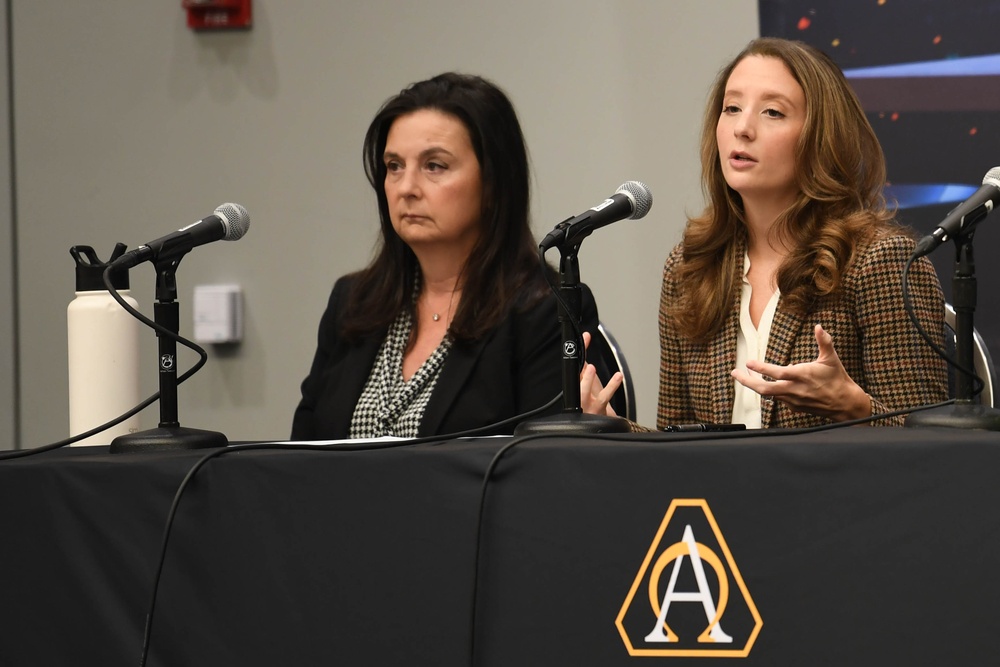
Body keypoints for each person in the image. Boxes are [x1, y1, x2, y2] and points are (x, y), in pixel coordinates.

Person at [581, 37, 948, 429]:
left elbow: (928, 449)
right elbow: (678, 446)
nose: (742, 128)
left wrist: (857, 409)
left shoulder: (879, 262)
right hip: (724, 492)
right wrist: (612, 429)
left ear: (821, 136)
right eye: (732, 108)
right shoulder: (690, 268)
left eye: (772, 112)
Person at [292, 72, 607, 440]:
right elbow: (301, 454)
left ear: (492, 182)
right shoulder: (351, 303)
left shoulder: (546, 312)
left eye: (434, 166)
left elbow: (542, 471)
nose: (406, 188)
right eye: (394, 166)